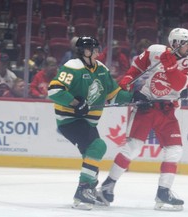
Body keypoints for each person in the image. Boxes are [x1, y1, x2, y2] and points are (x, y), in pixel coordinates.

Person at [97, 28, 188, 211]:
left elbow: (178, 84)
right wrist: (127, 83)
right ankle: (107, 186)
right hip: (147, 106)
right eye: (186, 43)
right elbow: (136, 69)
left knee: (175, 150)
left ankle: (163, 192)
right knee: (133, 148)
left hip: (169, 111)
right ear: (175, 43)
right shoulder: (155, 51)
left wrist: (170, 66)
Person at [47, 36, 132, 210]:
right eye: (93, 49)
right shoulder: (72, 67)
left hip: (87, 122)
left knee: (92, 156)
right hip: (70, 120)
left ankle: (89, 187)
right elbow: (54, 90)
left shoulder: (101, 69)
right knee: (98, 147)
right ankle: (83, 190)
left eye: (96, 49)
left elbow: (114, 95)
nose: (97, 52)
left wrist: (134, 95)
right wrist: (76, 103)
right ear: (84, 51)